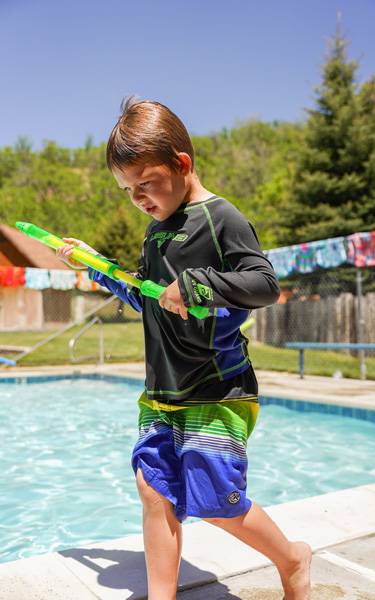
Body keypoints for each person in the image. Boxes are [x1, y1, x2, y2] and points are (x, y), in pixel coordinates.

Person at [57, 98, 312, 600]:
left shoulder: (222, 218)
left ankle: (292, 558)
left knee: (215, 501)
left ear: (181, 164)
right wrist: (97, 266)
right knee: (154, 491)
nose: (138, 199)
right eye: (127, 190)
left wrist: (196, 285)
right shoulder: (156, 233)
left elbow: (264, 284)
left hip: (216, 389)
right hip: (161, 393)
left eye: (145, 183)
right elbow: (150, 297)